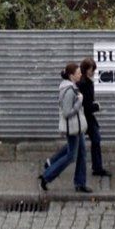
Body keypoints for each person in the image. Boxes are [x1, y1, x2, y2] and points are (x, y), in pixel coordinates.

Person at [40, 62, 91, 193]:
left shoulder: (72, 87)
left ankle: (80, 183)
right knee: (71, 156)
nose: (81, 74)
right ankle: (47, 176)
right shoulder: (69, 91)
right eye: (78, 73)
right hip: (73, 129)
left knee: (82, 154)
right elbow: (67, 112)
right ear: (71, 75)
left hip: (77, 127)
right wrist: (79, 102)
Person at [78, 57, 113, 178]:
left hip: (87, 118)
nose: (93, 72)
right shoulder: (83, 84)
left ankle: (97, 168)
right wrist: (96, 106)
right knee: (73, 147)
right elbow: (85, 105)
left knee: (95, 140)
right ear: (86, 70)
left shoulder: (87, 82)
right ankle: (52, 164)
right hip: (84, 118)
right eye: (92, 69)